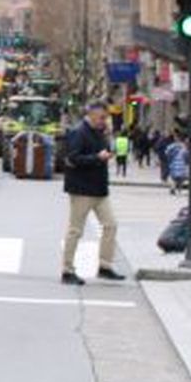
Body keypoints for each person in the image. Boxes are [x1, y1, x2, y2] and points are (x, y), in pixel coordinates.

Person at [61, 101, 126, 284]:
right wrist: (97, 158)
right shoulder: (78, 132)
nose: (103, 121)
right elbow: (72, 159)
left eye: (105, 118)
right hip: (82, 189)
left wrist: (107, 142)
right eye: (101, 118)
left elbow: (105, 150)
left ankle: (105, 266)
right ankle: (67, 270)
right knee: (75, 230)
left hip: (99, 189)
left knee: (111, 225)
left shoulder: (100, 132)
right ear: (91, 115)